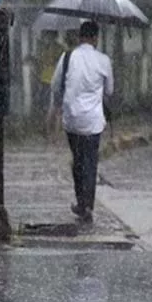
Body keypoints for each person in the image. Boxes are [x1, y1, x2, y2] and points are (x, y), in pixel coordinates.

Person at [50, 21, 113, 223]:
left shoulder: (67, 57)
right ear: (96, 38)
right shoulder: (104, 61)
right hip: (93, 121)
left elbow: (55, 85)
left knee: (77, 159)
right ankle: (87, 204)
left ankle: (80, 200)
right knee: (90, 161)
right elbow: (109, 90)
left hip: (72, 119)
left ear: (79, 37)